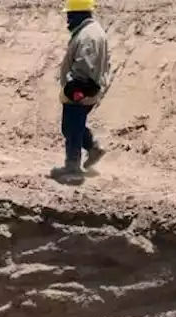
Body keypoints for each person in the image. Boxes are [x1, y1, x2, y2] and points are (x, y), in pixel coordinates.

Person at [51, 0, 111, 183]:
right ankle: (93, 148)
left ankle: (73, 168)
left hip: (81, 89)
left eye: (70, 15)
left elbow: (84, 66)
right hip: (88, 88)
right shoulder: (92, 31)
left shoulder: (87, 36)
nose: (68, 20)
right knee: (71, 126)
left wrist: (75, 89)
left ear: (80, 14)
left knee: (72, 128)